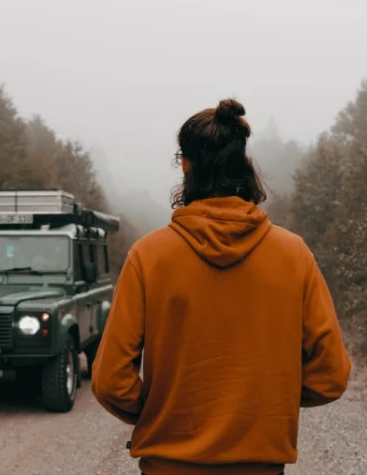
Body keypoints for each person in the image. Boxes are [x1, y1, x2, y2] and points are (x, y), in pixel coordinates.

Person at [91, 99, 351, 475]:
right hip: (260, 464)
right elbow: (331, 374)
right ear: (242, 163)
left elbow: (110, 381)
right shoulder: (294, 255)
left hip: (167, 465)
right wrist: (264, 405)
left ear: (185, 164)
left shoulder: (148, 256)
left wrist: (161, 412)